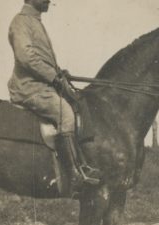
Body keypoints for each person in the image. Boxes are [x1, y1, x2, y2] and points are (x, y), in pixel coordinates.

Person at [7, 0, 100, 188]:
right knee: (65, 113)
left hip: (42, 86)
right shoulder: (21, 22)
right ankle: (74, 175)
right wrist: (53, 77)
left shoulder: (35, 21)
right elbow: (26, 57)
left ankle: (83, 163)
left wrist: (59, 72)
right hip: (29, 88)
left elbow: (42, 59)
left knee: (78, 104)